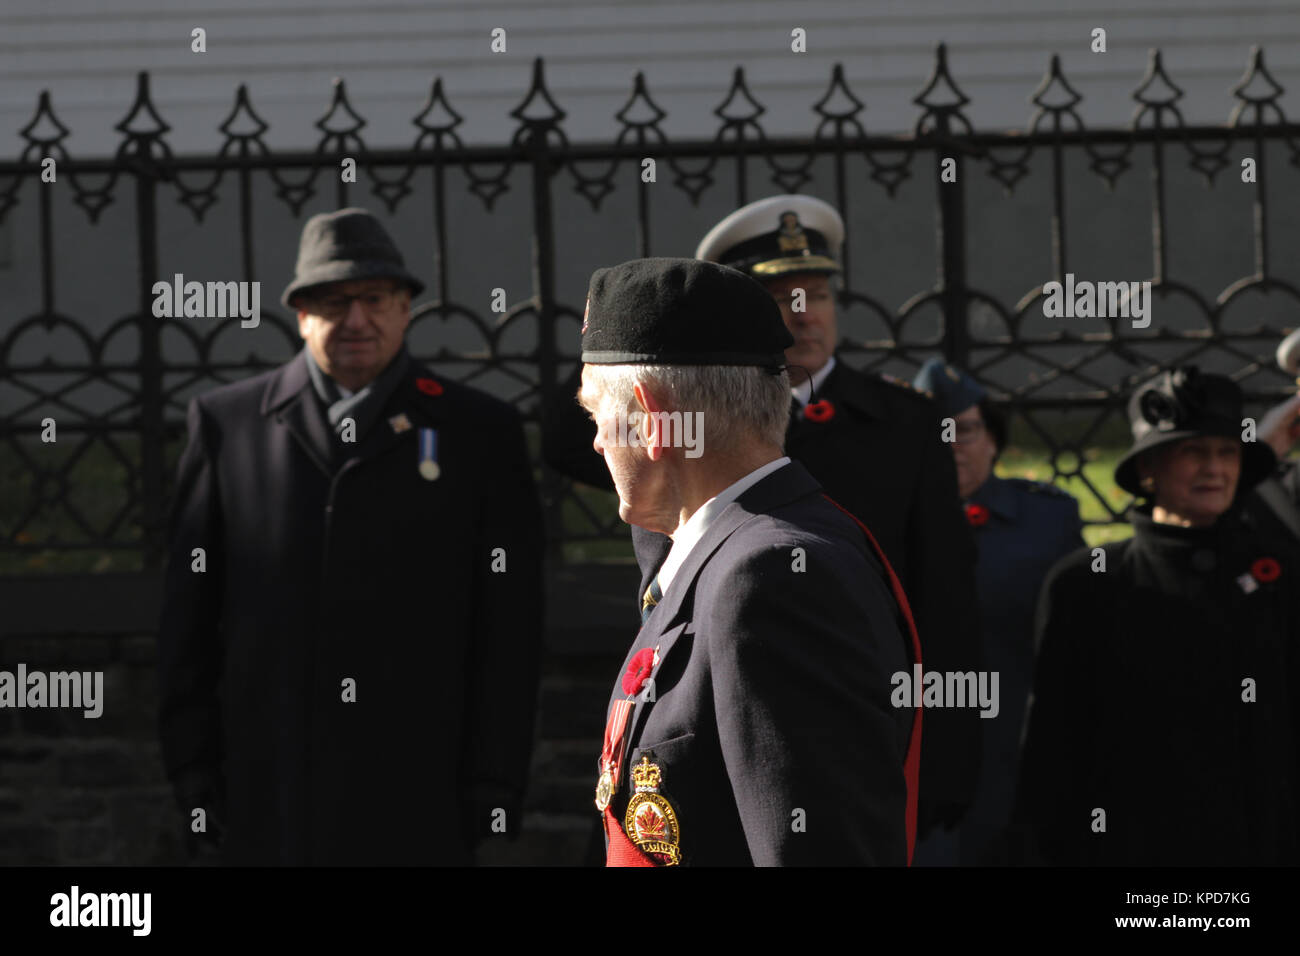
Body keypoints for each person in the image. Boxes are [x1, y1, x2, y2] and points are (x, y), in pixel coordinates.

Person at [543, 195, 983, 838]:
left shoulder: (778, 568)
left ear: (651, 416)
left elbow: (944, 597)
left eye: (818, 294)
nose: (804, 315)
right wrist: (661, 318)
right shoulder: (705, 497)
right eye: (782, 298)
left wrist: (944, 771)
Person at [157, 207, 545, 865]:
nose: (355, 320)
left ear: (405, 309)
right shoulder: (228, 427)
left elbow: (508, 630)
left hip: (419, 790)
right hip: (270, 790)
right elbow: (186, 625)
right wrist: (193, 771)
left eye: (373, 300)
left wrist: (496, 780)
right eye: (333, 303)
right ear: (301, 315)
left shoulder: (478, 432)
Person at [578, 257, 922, 865]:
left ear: (651, 419)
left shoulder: (770, 579)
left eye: (596, 414)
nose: (599, 441)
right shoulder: (718, 553)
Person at [1015, 366, 1298, 865]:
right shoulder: (1087, 584)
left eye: (1227, 452)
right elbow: (1054, 751)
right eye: (1193, 451)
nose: (1214, 468)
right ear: (1149, 470)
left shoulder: (1279, 575)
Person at [912, 358, 1083, 865]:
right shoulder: (883, 519)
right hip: (920, 755)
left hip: (1018, 744)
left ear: (993, 438)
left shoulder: (1047, 518)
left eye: (965, 430)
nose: (952, 444)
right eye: (936, 431)